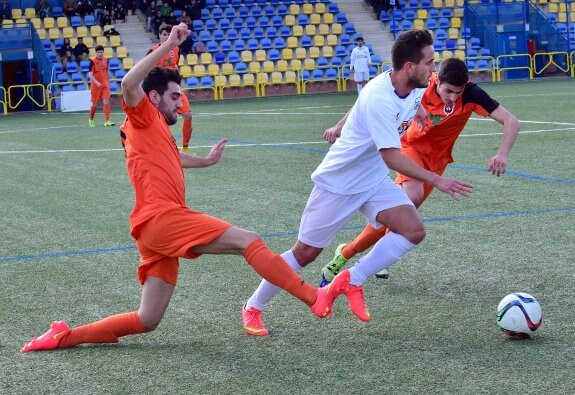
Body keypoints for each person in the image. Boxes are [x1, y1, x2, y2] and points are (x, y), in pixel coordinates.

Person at [20, 23, 349, 353]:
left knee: (147, 319)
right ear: (154, 97)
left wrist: (205, 162)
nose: (181, 103)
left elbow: (172, 156)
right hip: (161, 218)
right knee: (249, 241)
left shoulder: (154, 128)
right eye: (175, 96)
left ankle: (66, 335)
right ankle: (313, 296)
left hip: (152, 230)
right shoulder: (144, 115)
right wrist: (167, 46)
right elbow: (128, 83)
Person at [240, 30, 474, 336]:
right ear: (408, 67)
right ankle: (253, 307)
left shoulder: (413, 85)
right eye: (429, 63)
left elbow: (377, 104)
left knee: (413, 230)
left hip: (372, 181)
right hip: (339, 183)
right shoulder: (380, 97)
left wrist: (416, 114)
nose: (434, 69)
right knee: (304, 254)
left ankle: (352, 279)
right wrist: (436, 180)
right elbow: (392, 157)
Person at [319, 57, 521, 284]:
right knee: (410, 199)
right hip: (409, 149)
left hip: (437, 162)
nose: (453, 97)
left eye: (458, 92)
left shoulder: (473, 94)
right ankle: (368, 265)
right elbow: (367, 101)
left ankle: (345, 253)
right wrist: (339, 126)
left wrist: (502, 154)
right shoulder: (421, 84)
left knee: (400, 215)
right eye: (448, 91)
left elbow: (512, 121)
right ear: (437, 82)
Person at [147, 24, 193, 151]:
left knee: (188, 116)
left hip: (175, 88)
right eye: (164, 34)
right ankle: (157, 146)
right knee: (158, 120)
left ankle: (185, 148)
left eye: (168, 34)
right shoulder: (153, 51)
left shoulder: (176, 50)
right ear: (159, 36)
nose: (167, 37)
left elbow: (175, 65)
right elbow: (146, 69)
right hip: (160, 91)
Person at [88, 45, 115, 127]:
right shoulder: (92, 61)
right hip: (96, 85)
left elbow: (106, 71)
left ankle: (107, 121)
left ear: (103, 52)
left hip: (104, 84)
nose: (100, 53)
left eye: (101, 52)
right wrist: (96, 82)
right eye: (98, 52)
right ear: (95, 53)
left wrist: (108, 81)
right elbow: (90, 75)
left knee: (106, 101)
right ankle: (91, 119)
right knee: (95, 104)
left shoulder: (106, 60)